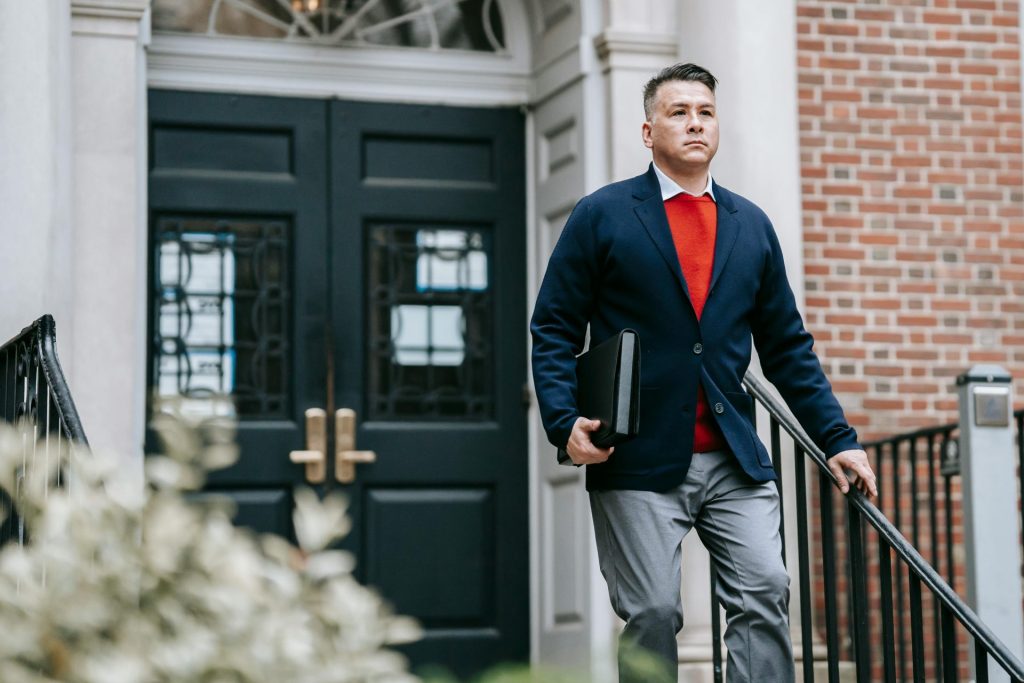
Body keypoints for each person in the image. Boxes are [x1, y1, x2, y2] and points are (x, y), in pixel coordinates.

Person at [529, 63, 877, 683]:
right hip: (634, 455)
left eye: (705, 112)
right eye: (678, 112)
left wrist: (838, 441)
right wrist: (563, 423)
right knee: (654, 613)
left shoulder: (751, 225)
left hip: (733, 456)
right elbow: (554, 326)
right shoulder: (601, 214)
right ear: (647, 130)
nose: (694, 123)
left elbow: (787, 347)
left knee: (765, 590)